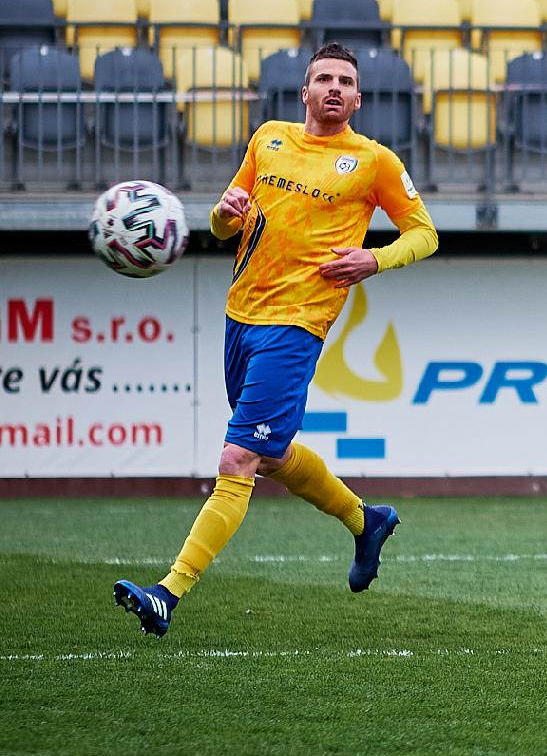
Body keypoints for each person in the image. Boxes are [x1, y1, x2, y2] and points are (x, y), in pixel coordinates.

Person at [113, 43, 438, 637]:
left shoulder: (374, 161)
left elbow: (425, 234)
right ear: (305, 92)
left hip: (298, 324)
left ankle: (168, 592)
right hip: (240, 315)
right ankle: (365, 521)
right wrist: (225, 211)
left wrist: (375, 258)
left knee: (237, 458)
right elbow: (223, 224)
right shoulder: (268, 139)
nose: (335, 88)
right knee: (270, 452)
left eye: (345, 81)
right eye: (324, 79)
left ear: (358, 99)